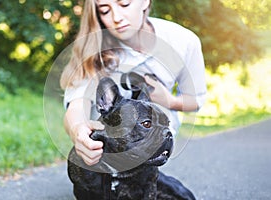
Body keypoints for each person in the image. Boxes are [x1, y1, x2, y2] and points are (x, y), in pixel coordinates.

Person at [60, 0, 206, 197]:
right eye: (105, 10)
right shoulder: (93, 46)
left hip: (151, 132)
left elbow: (195, 100)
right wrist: (79, 131)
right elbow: (77, 104)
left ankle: (138, 178)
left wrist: (169, 102)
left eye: (124, 4)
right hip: (106, 143)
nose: (116, 17)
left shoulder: (183, 40)